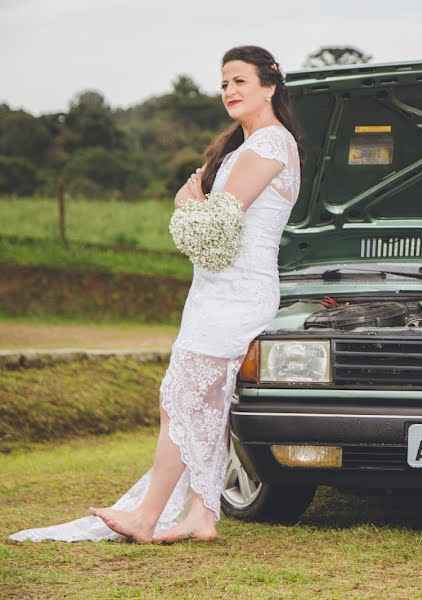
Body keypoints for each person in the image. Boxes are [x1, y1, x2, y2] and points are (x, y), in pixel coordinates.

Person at [10, 46, 303, 544]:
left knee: (181, 399)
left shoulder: (272, 144)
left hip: (236, 294)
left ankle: (147, 515)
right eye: (224, 84)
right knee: (201, 403)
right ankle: (202, 514)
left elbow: (215, 228)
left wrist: (187, 204)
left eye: (240, 82)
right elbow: (213, 230)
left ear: (270, 86)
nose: (229, 91)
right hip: (213, 290)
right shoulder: (242, 146)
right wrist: (193, 208)